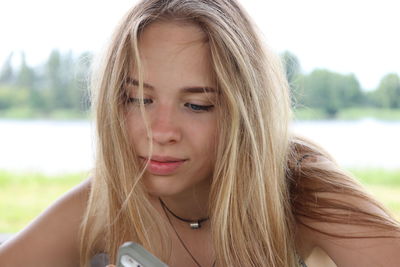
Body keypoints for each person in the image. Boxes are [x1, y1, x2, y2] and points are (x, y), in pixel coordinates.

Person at [1, 0, 399, 266]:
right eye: (138, 99)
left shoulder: (300, 186)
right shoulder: (110, 198)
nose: (161, 132)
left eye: (197, 105)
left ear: (247, 114)